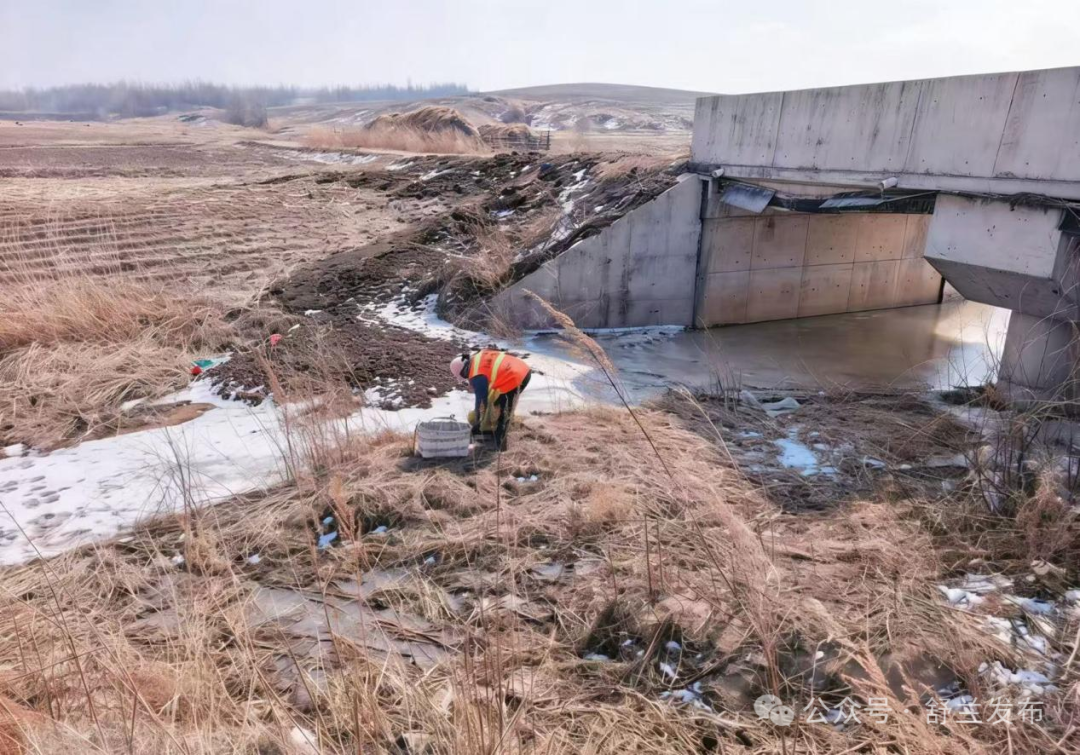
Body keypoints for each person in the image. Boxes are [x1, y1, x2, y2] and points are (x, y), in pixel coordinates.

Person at [450, 349, 531, 450]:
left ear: (465, 370)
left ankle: (500, 447)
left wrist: (476, 424)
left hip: (514, 376)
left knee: (503, 413)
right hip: (522, 368)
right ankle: (496, 430)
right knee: (499, 404)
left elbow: (481, 403)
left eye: (464, 376)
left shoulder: (477, 376)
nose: (466, 379)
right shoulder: (477, 357)